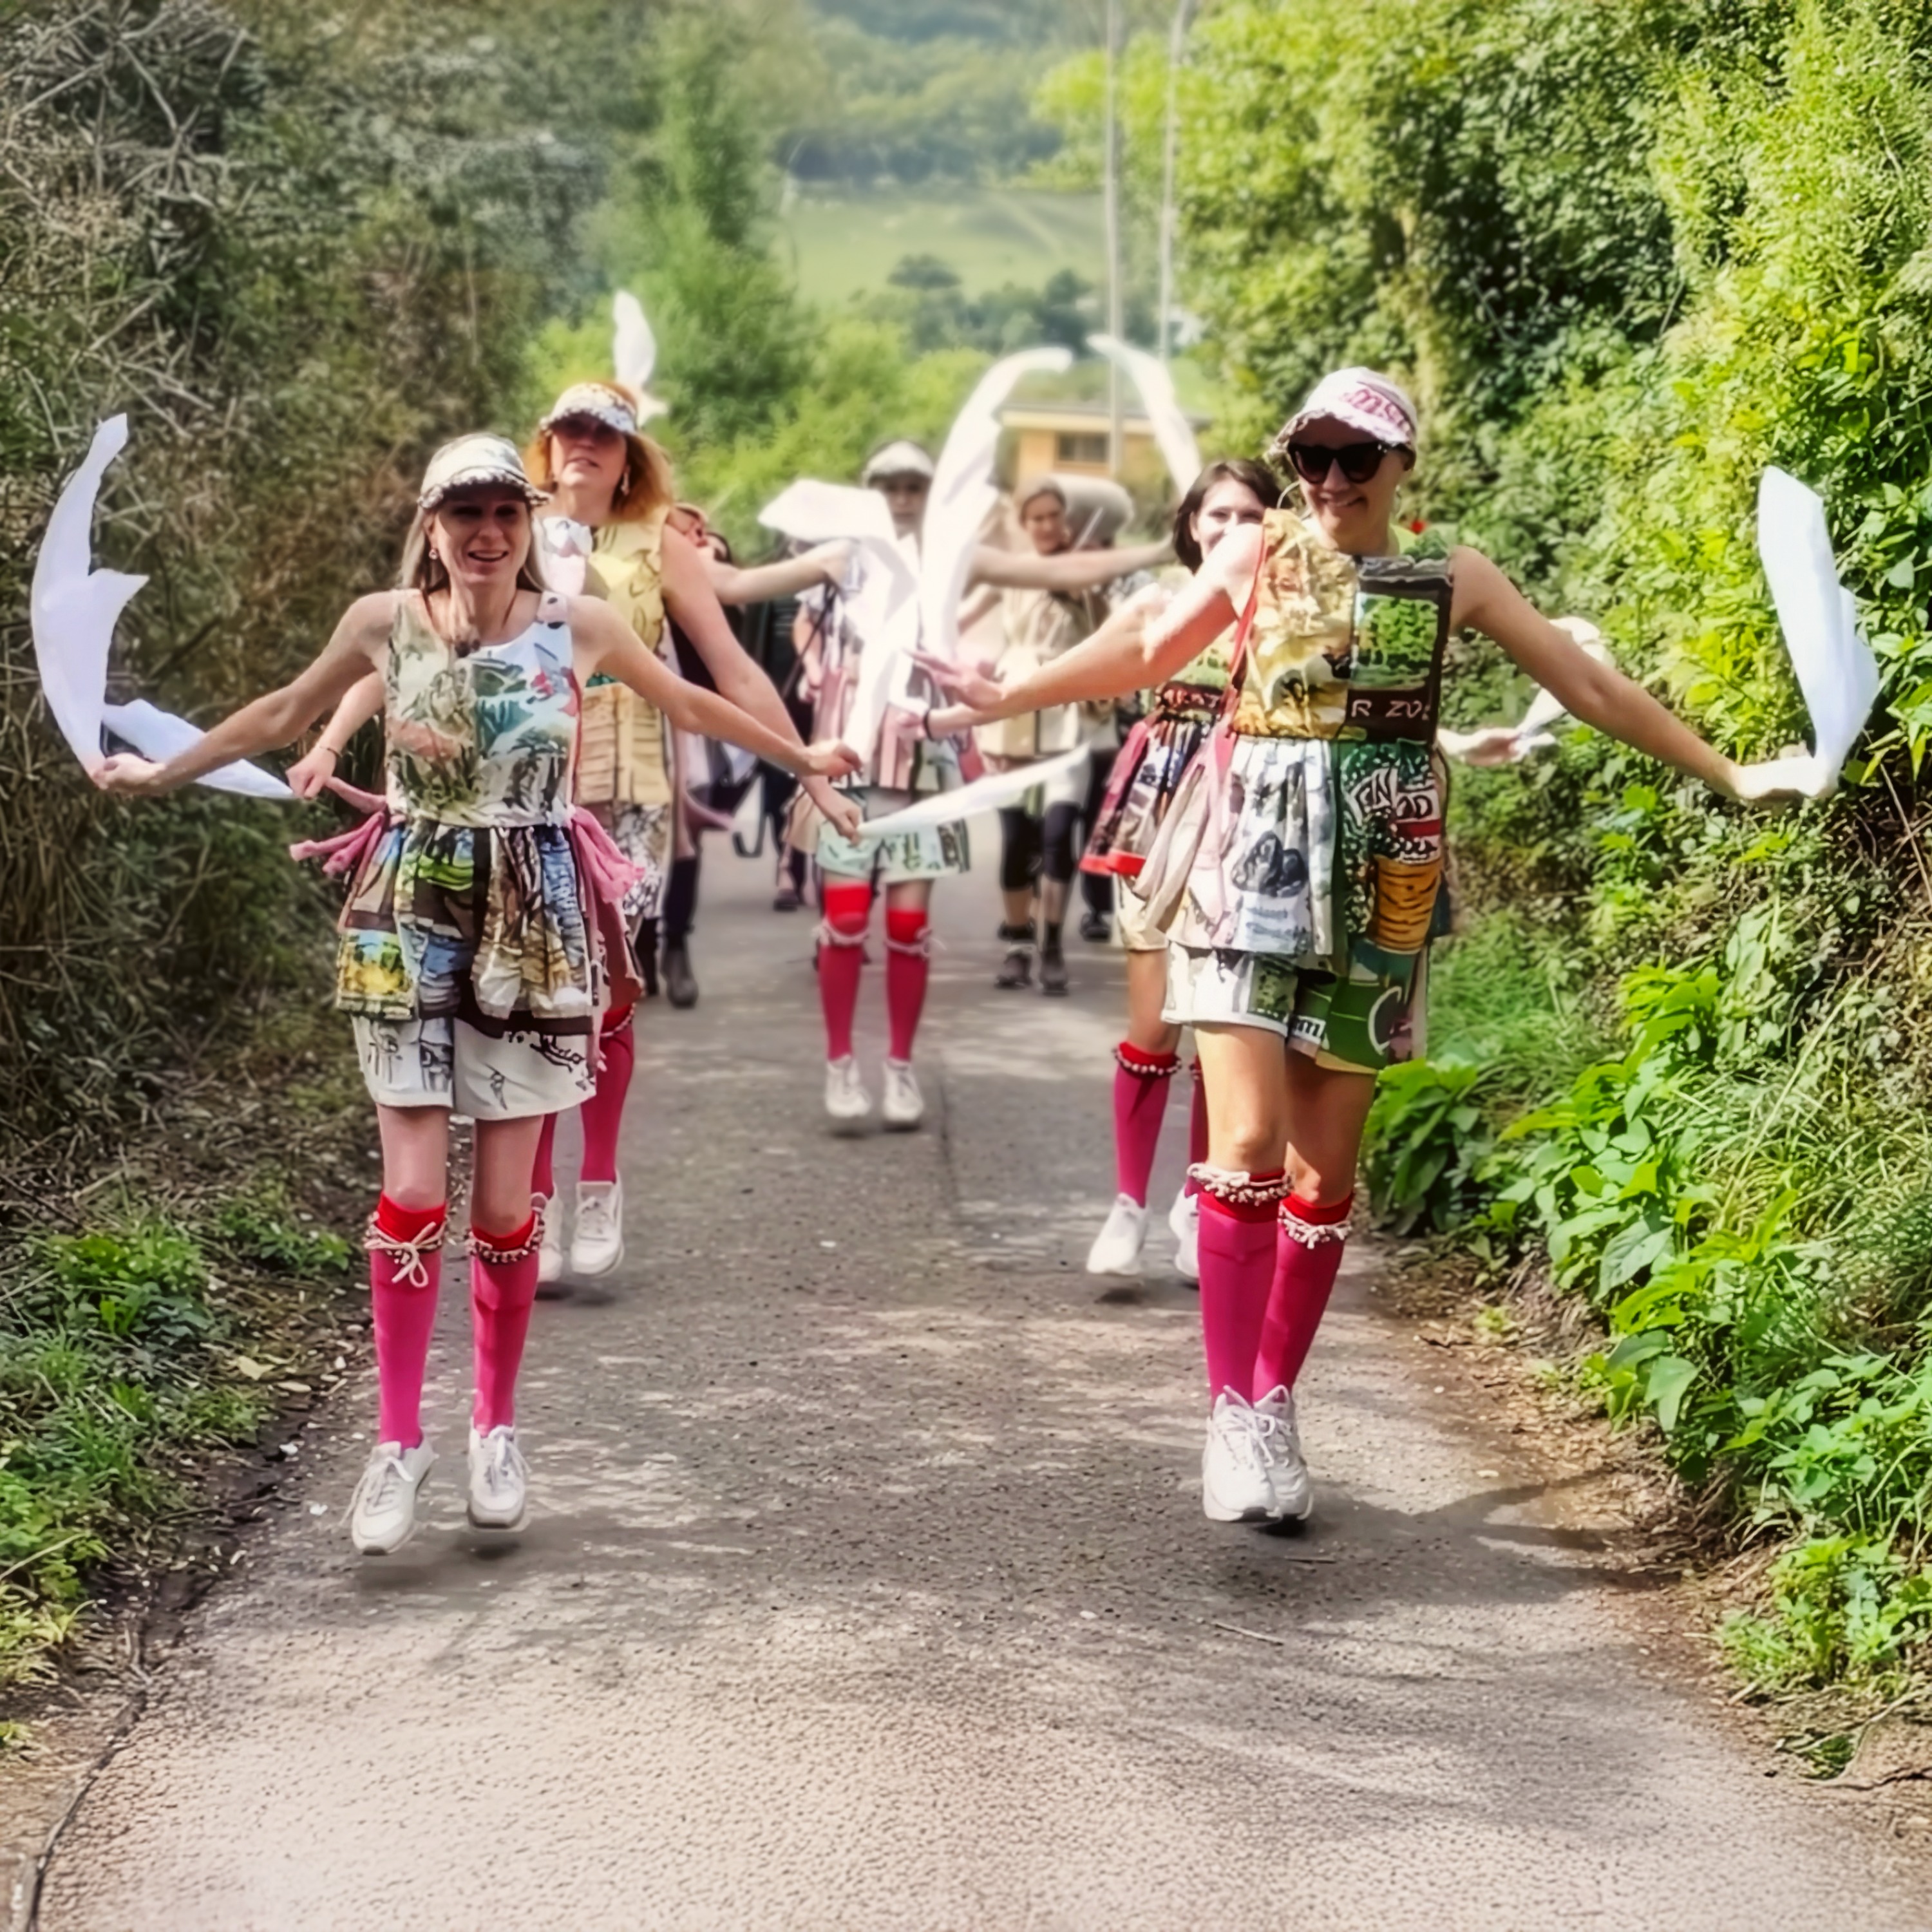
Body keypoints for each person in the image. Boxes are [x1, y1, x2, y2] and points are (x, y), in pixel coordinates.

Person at [924, 367, 1812, 1527]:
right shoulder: (1255, 555)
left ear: (1402, 467)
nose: (1332, 481)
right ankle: (1231, 1414)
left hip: (1383, 881)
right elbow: (1147, 641)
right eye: (1313, 458)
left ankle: (1275, 1399)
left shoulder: (1452, 577)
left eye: (1358, 459)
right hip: (1248, 866)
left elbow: (1587, 680)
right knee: (1242, 1142)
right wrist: (1004, 698)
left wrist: (1731, 773)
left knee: (1325, 1176)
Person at [99, 434, 858, 1554]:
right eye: (467, 516)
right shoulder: (384, 621)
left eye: (506, 513)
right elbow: (279, 713)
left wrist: (805, 763)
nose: (488, 534)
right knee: (411, 1193)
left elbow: (689, 708)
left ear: (526, 521)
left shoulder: (579, 628)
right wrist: (160, 771)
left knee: (504, 1210)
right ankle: (395, 1443)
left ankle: (494, 1432)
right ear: (433, 526)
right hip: (408, 904)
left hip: (537, 918)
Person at [294, 386, 857, 1285]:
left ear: (630, 455)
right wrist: (326, 740)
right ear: (548, 448)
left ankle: (595, 1181)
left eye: (607, 435)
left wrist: (803, 761)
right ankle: (533, 1205)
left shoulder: (654, 541)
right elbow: (410, 662)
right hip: (510, 782)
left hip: (619, 781)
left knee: (596, 997)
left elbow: (724, 667)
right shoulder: (498, 528)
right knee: (531, 998)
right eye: (572, 431)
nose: (587, 446)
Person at [790, 442, 1168, 1127]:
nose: (903, 497)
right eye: (891, 485)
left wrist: (1168, 549)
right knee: (844, 923)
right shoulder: (841, 559)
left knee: (907, 927)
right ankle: (840, 1062)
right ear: (872, 492)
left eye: (915, 487)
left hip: (921, 767)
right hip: (844, 766)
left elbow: (1054, 566)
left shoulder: (951, 564)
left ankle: (900, 1068)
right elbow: (739, 592)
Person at [1078, 459, 1277, 1282]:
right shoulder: (1159, 603)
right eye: (1216, 514)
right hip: (1160, 811)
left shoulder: (1283, 606)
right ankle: (1127, 1201)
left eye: (1250, 514)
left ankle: (1199, 1200)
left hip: (1251, 812)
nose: (1232, 529)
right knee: (1154, 1021)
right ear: (1191, 524)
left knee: (1218, 1025)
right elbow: (1093, 673)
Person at [968, 477, 1165, 994]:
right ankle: (1017, 940)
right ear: (1024, 523)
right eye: (1038, 518)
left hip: (1071, 714)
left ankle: (1051, 942)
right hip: (1013, 710)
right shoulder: (1007, 573)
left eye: (1056, 516)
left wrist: (1087, 593)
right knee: (1017, 840)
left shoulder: (1085, 573)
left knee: (1058, 836)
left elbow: (1112, 632)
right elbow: (959, 616)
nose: (1049, 526)